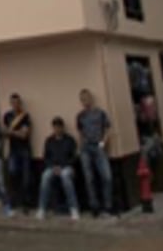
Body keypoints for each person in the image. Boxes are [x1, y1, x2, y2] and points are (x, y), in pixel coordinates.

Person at [76, 89, 114, 217]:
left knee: (106, 177)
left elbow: (107, 128)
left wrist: (103, 142)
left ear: (91, 98)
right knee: (89, 178)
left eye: (86, 98)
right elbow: (80, 132)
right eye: (82, 99)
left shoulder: (100, 113)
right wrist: (81, 146)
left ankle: (108, 206)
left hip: (98, 146)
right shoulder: (80, 116)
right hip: (86, 148)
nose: (85, 101)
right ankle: (94, 206)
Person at [37, 117, 80, 221]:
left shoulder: (70, 140)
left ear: (62, 127)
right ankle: (42, 208)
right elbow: (45, 157)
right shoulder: (49, 141)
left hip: (67, 167)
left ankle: (73, 208)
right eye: (55, 127)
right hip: (52, 167)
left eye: (59, 127)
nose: (57, 129)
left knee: (65, 177)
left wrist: (63, 166)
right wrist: (53, 166)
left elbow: (74, 157)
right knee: (45, 176)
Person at [2, 93, 32, 211]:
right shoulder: (7, 116)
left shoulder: (25, 116)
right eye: (13, 102)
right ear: (10, 103)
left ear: (20, 103)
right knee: (12, 174)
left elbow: (24, 135)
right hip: (13, 150)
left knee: (26, 178)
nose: (15, 104)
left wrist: (11, 132)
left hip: (24, 150)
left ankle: (26, 203)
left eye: (17, 102)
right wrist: (16, 132)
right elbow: (4, 133)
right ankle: (13, 201)